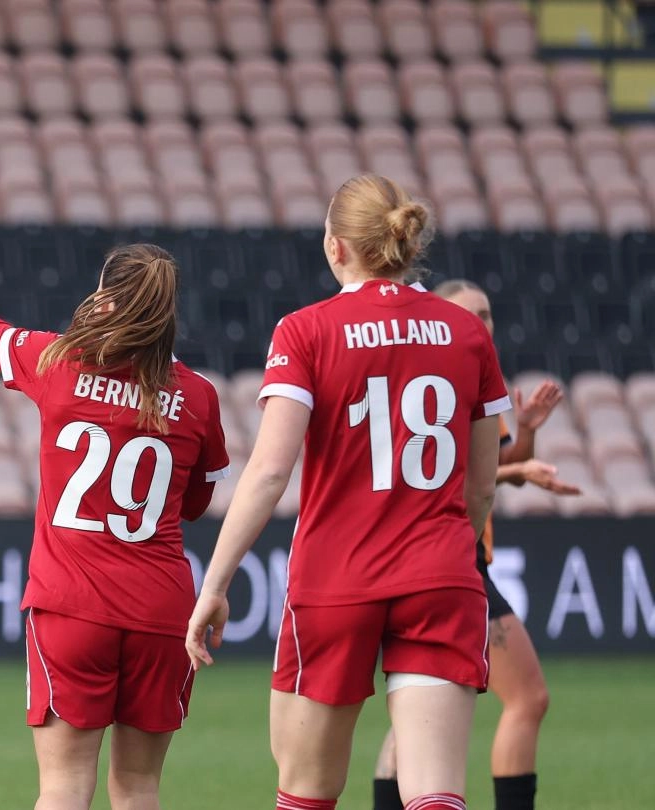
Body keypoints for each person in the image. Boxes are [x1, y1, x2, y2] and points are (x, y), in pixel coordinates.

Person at [186, 175, 510, 810]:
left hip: (338, 579)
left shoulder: (306, 331)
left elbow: (270, 473)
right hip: (441, 575)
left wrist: (215, 585)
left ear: (335, 247)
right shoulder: (468, 333)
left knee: (306, 792)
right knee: (436, 794)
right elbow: (481, 485)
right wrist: (443, 547)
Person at [0, 179, 230, 810]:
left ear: (106, 299)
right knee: (140, 786)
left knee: (65, 786)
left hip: (71, 607)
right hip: (159, 611)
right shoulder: (198, 396)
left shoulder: (59, 363)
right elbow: (194, 504)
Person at [370, 279, 579, 810]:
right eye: (470, 314)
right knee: (527, 699)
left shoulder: (460, 377)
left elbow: (495, 463)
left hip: (413, 560)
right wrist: (519, 469)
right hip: (451, 561)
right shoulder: (457, 379)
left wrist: (525, 436)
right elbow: (468, 476)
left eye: (487, 314)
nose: (483, 325)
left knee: (413, 712)